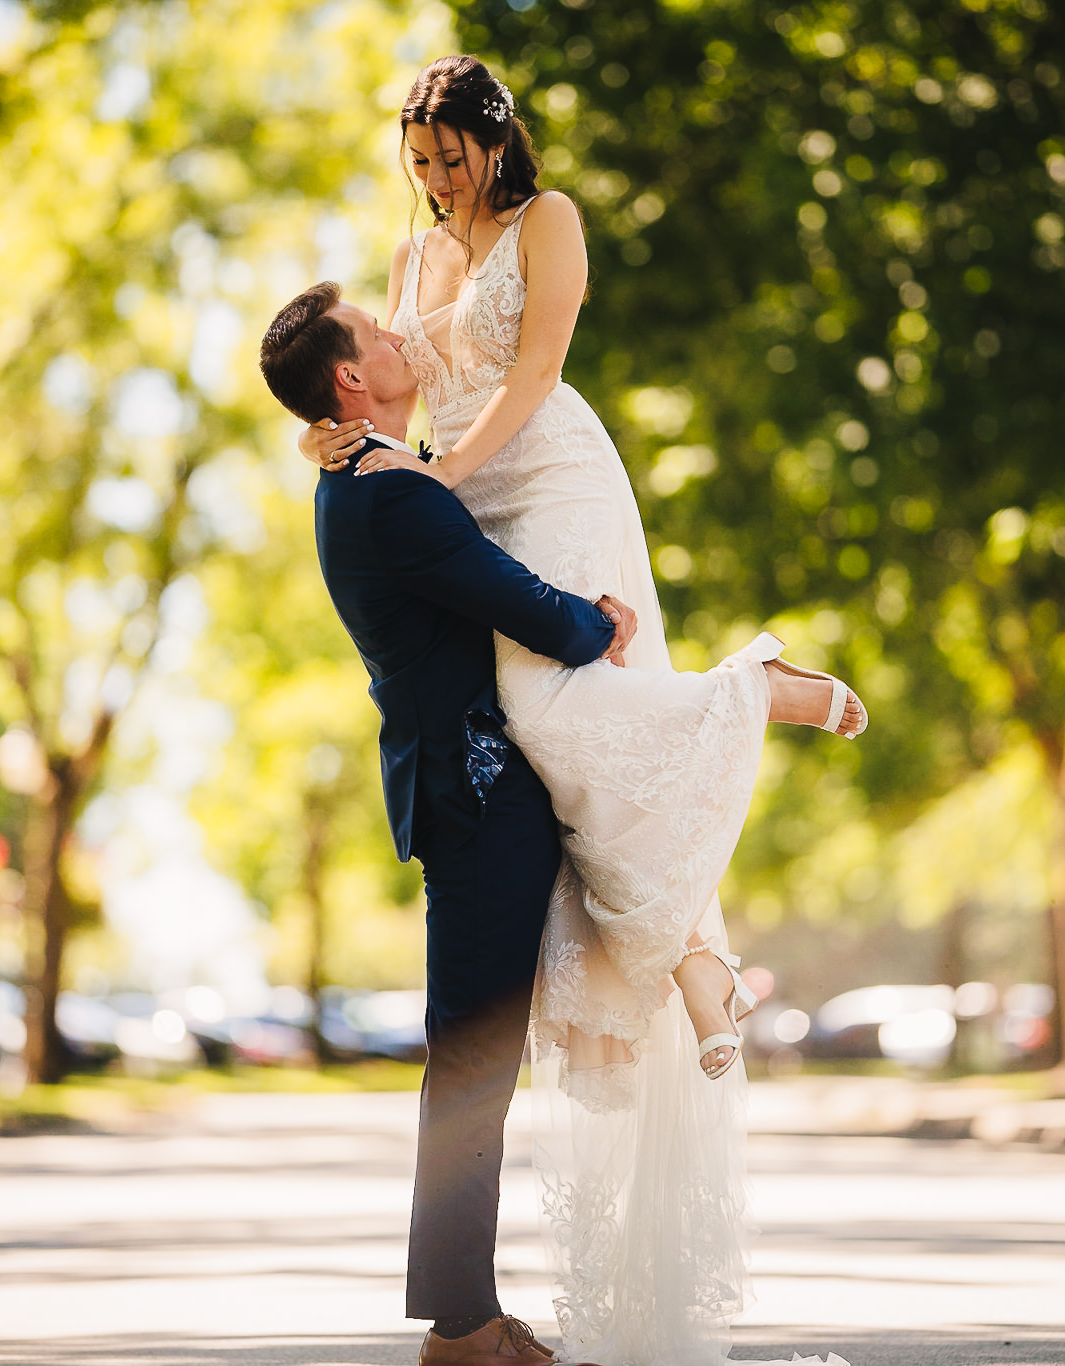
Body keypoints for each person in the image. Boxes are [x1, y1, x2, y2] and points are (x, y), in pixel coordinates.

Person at [292, 55, 859, 1366]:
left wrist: (433, 478)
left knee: (559, 711)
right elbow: (385, 390)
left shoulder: (551, 224)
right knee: (576, 756)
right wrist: (348, 442)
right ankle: (697, 962)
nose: (434, 184)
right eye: (417, 164)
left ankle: (751, 697)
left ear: (493, 139)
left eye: (450, 158)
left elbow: (531, 373)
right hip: (460, 498)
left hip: (547, 474)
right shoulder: (408, 255)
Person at [261, 280, 634, 1366]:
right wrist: (594, 621)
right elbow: (514, 599)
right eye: (376, 335)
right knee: (472, 1060)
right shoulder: (387, 494)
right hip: (474, 794)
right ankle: (460, 1329)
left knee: (474, 1057)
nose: (397, 335)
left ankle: (464, 1313)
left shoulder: (364, 479)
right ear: (347, 379)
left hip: (461, 789)